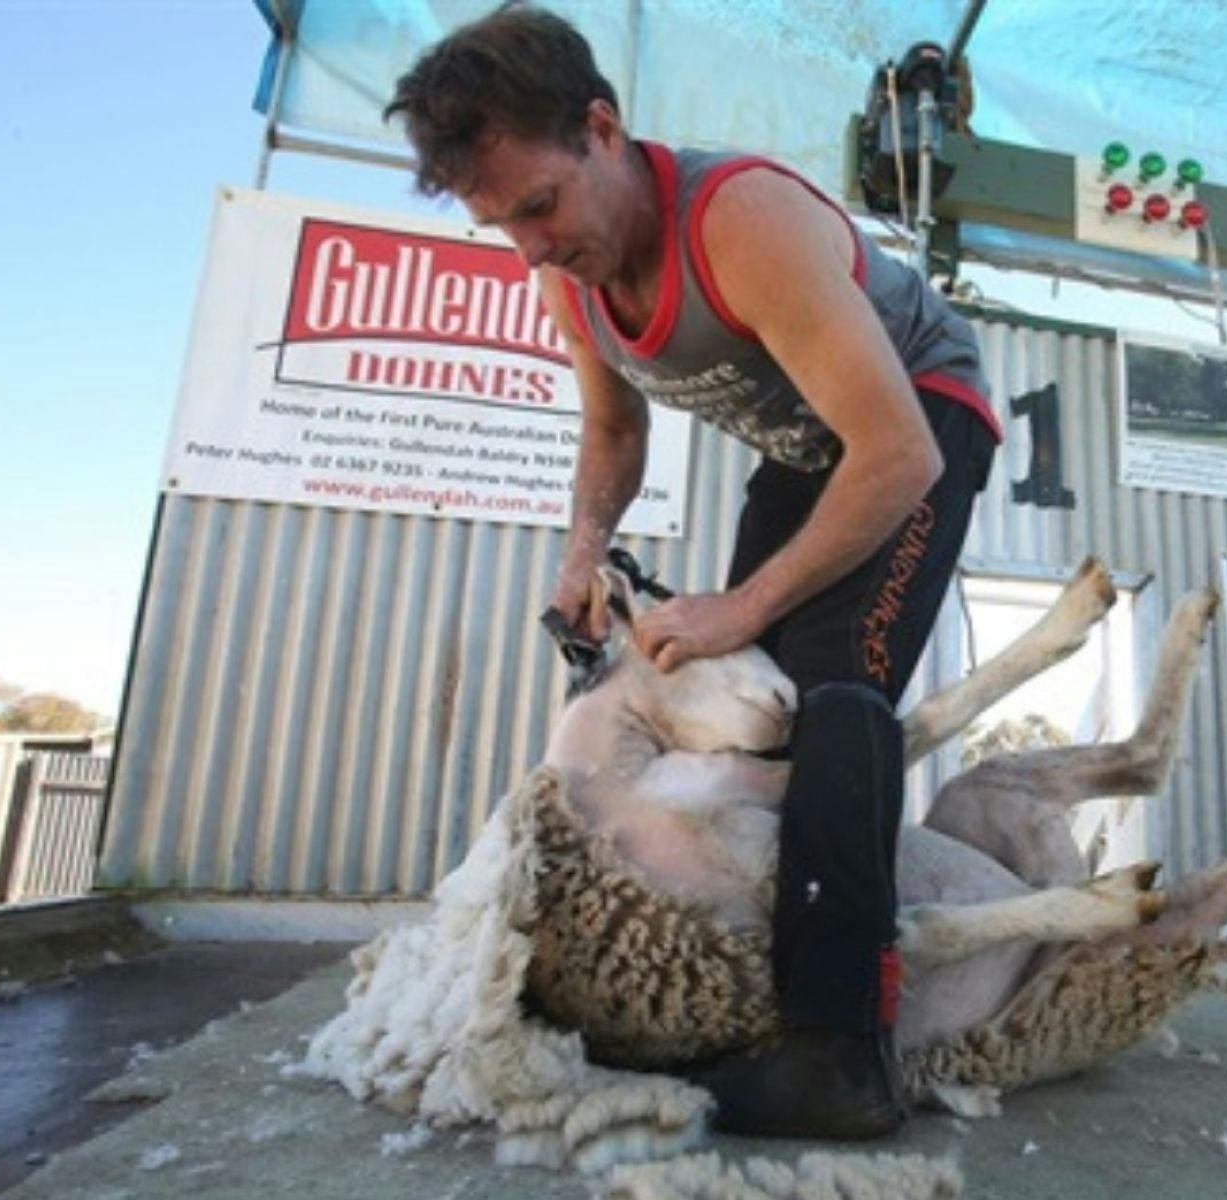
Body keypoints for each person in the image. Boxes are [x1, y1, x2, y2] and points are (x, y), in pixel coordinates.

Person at [387, 5, 1000, 1140]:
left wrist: (747, 602)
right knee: (746, 692)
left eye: (539, 205)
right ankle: (753, 982)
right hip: (805, 450)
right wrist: (583, 555)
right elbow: (614, 436)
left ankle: (840, 1052)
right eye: (499, 225)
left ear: (602, 130)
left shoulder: (741, 220)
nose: (529, 245)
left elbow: (897, 456)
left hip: (918, 423)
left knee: (827, 688)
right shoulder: (564, 273)